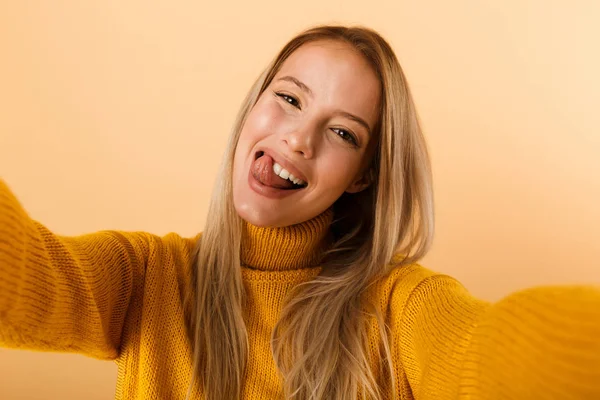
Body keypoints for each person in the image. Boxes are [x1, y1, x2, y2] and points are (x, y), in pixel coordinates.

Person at [0, 24, 598, 400]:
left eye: (341, 132)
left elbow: (486, 355)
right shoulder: (144, 277)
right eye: (288, 99)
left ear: (364, 175)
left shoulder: (401, 309)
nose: (298, 139)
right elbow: (23, 278)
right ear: (253, 106)